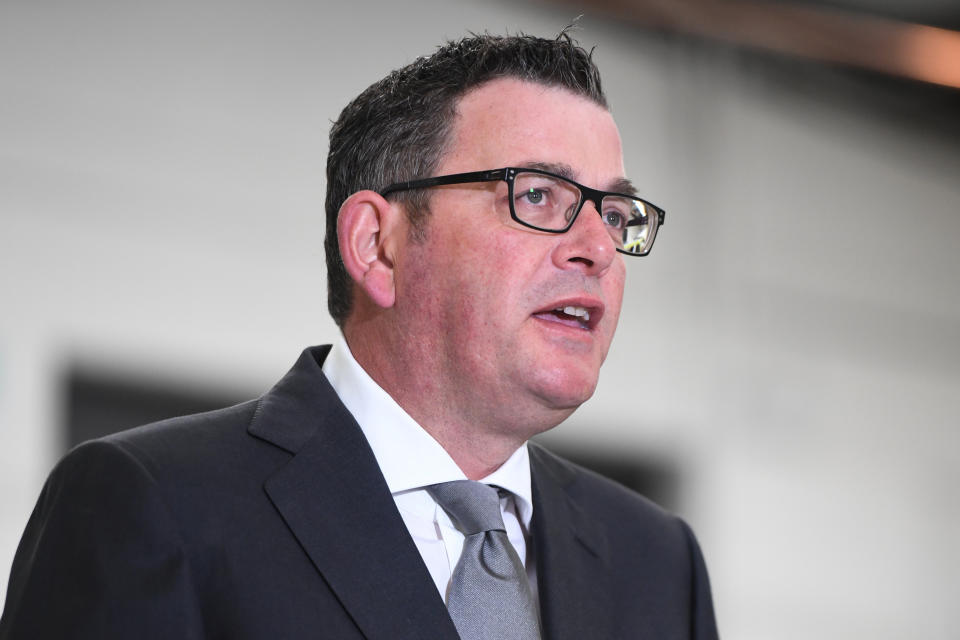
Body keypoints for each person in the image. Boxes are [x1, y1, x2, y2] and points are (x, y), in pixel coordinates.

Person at [0, 31, 718, 639]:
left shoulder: (658, 561)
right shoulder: (152, 506)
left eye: (617, 215)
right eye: (538, 196)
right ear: (378, 246)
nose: (596, 247)